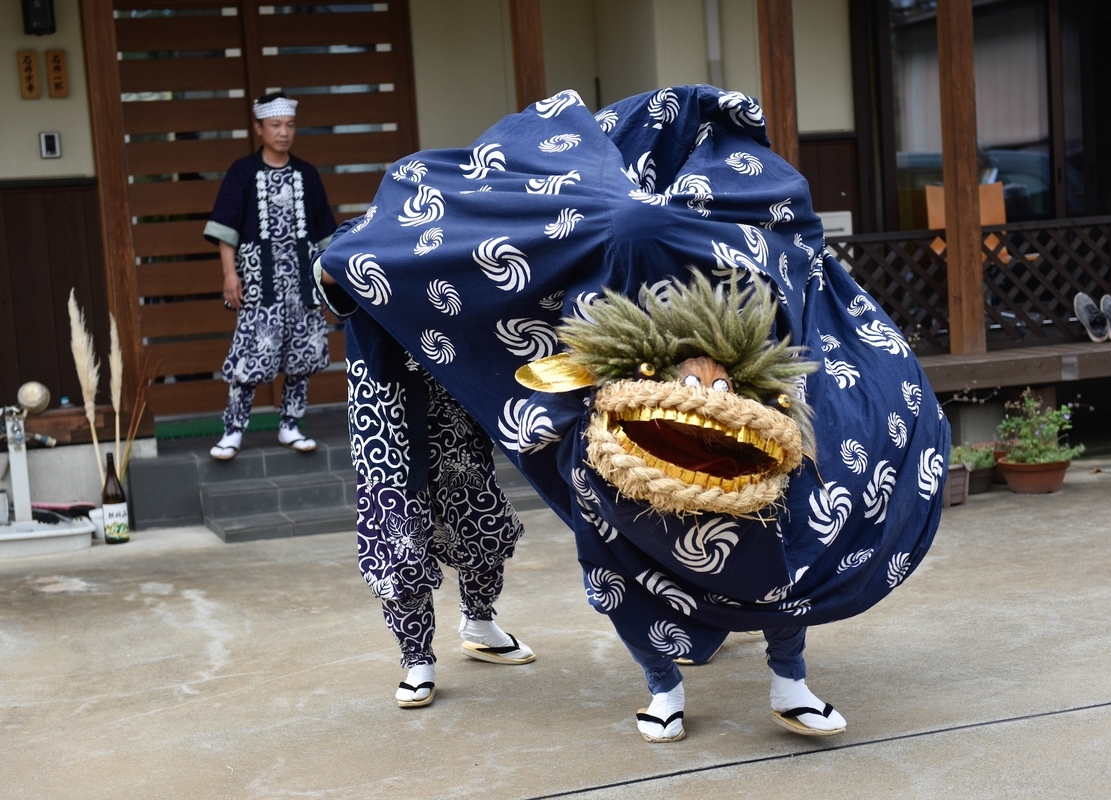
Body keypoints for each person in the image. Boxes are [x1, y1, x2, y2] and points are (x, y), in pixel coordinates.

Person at [315, 85, 948, 739]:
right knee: (591, 543)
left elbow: (789, 251)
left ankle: (788, 679)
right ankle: (652, 684)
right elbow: (386, 266)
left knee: (771, 526)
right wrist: (344, 267)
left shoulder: (685, 214)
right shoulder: (540, 221)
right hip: (592, 410)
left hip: (722, 397)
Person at [313, 226, 536, 709]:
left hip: (450, 400)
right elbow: (329, 272)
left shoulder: (451, 231)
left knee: (480, 516)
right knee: (401, 536)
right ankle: (417, 658)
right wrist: (378, 252)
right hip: (385, 408)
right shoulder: (361, 235)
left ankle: (478, 620)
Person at [202, 91, 337, 460]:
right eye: (275, 125)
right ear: (259, 128)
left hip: (303, 283)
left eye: (289, 125)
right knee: (251, 356)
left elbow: (325, 231)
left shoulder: (307, 174)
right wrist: (230, 275)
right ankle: (232, 430)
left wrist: (329, 276)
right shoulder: (242, 172)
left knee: (303, 356)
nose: (283, 132)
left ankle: (290, 425)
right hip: (259, 283)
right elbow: (225, 230)